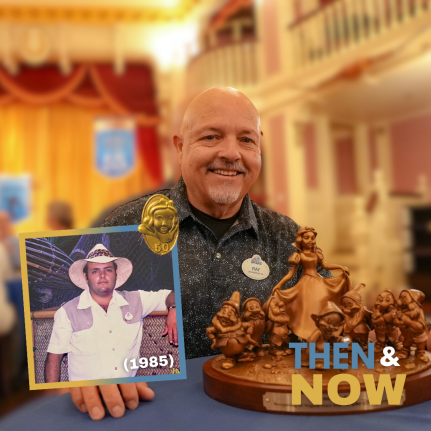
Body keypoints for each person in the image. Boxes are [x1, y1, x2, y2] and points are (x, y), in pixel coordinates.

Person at [70, 87, 331, 419]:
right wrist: (87, 376)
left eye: (247, 140)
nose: (231, 153)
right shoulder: (127, 225)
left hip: (263, 415)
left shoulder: (288, 237)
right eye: (211, 137)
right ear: (180, 147)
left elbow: (335, 323)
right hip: (151, 416)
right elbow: (77, 306)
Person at [45, 244, 177, 382]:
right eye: (95, 271)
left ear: (116, 273)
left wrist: (173, 308)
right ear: (86, 277)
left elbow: (171, 295)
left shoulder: (136, 300)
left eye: (108, 270)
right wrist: (53, 399)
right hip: (86, 395)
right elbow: (54, 358)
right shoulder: (67, 312)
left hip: (127, 393)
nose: (102, 275)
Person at [271, 226, 351, 340]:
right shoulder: (298, 256)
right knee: (307, 307)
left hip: (318, 281)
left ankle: (324, 332)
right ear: (301, 239)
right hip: (306, 283)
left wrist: (340, 267)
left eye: (312, 238)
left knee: (322, 302)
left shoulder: (317, 253)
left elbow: (325, 266)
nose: (310, 240)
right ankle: (307, 334)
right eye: (306, 237)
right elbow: (290, 274)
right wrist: (279, 285)